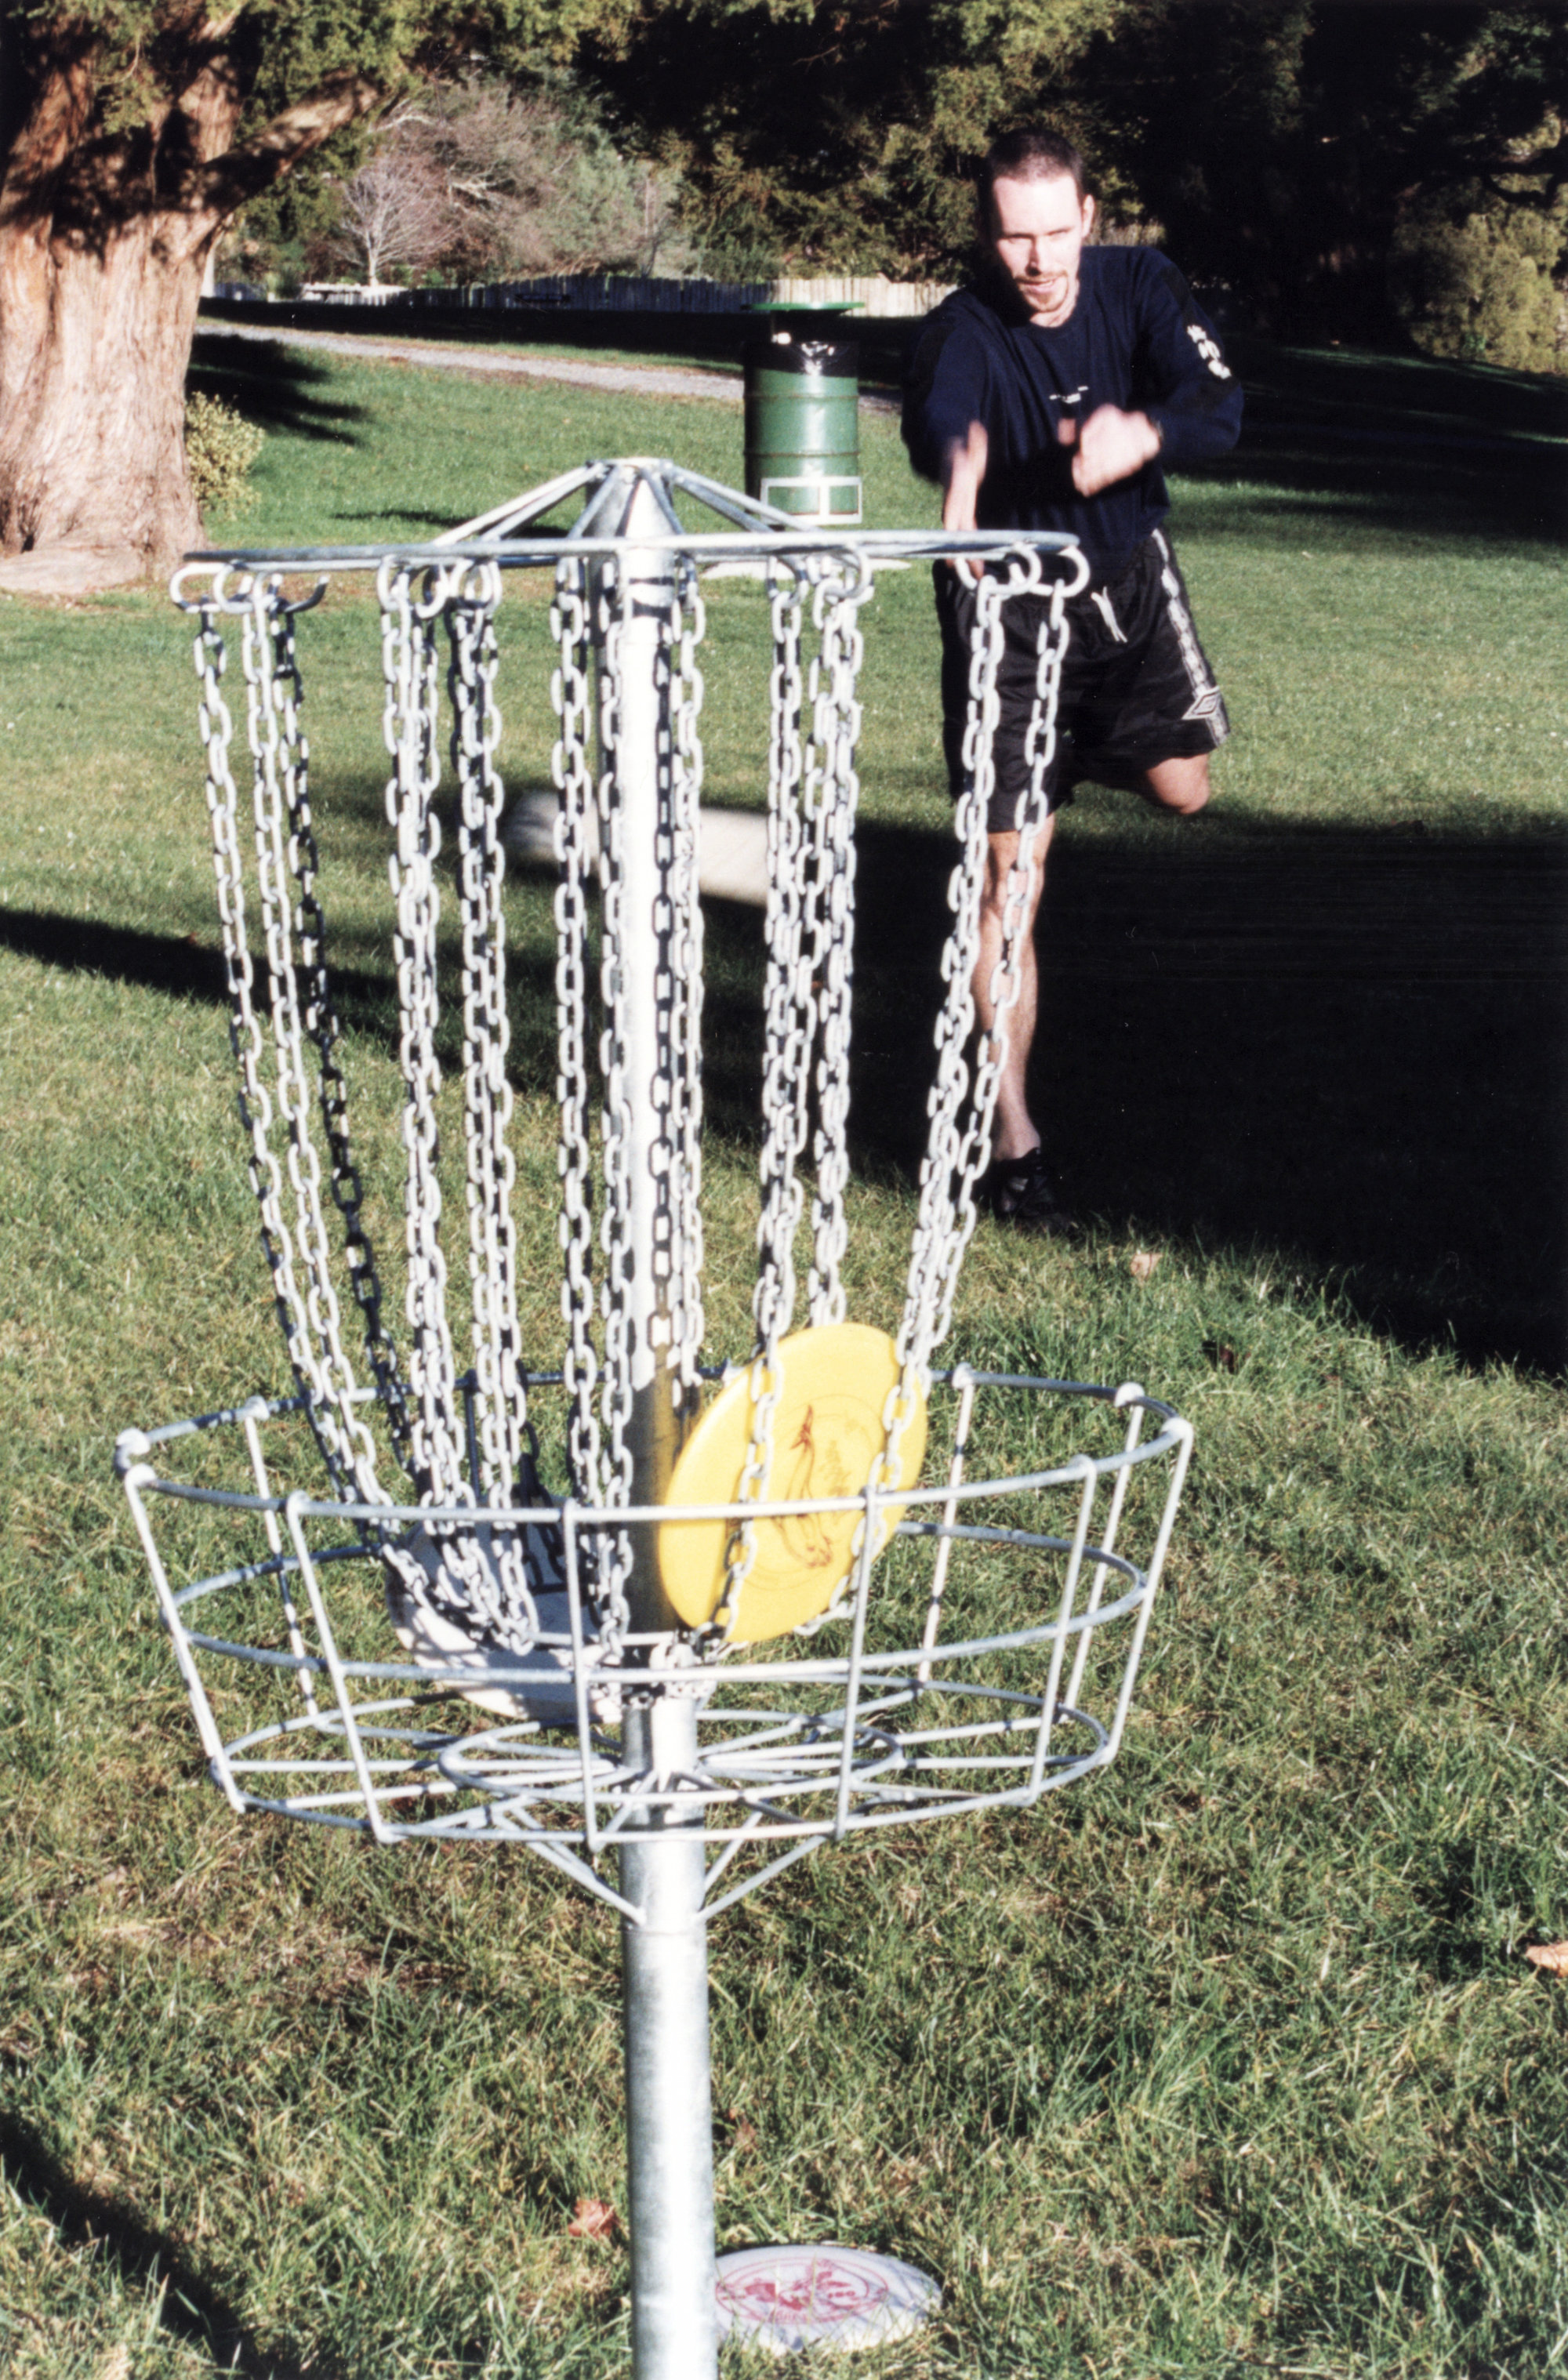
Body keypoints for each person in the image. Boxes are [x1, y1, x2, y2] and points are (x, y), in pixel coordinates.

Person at [903, 126, 1243, 1231]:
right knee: (1011, 887)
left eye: (1057, 234)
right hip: (1008, 620)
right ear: (986, 235)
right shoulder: (964, 327)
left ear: (1090, 219)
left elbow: (1218, 405)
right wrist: (962, 465)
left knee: (1185, 787)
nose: (1039, 262)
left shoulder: (1141, 284)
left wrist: (1141, 431)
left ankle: (1081, 754)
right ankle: (1017, 1149)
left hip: (1127, 592)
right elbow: (943, 414)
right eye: (1015, 238)